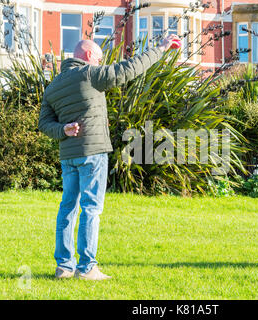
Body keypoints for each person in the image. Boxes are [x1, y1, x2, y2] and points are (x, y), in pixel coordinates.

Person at [38, 34, 180, 280]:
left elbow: (43, 124)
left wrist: (63, 130)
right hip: (92, 153)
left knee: (68, 209)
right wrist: (161, 48)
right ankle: (87, 268)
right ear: (90, 56)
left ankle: (64, 267)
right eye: (100, 58)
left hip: (68, 155)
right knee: (91, 209)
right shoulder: (90, 74)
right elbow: (130, 68)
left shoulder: (53, 86)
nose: (101, 62)